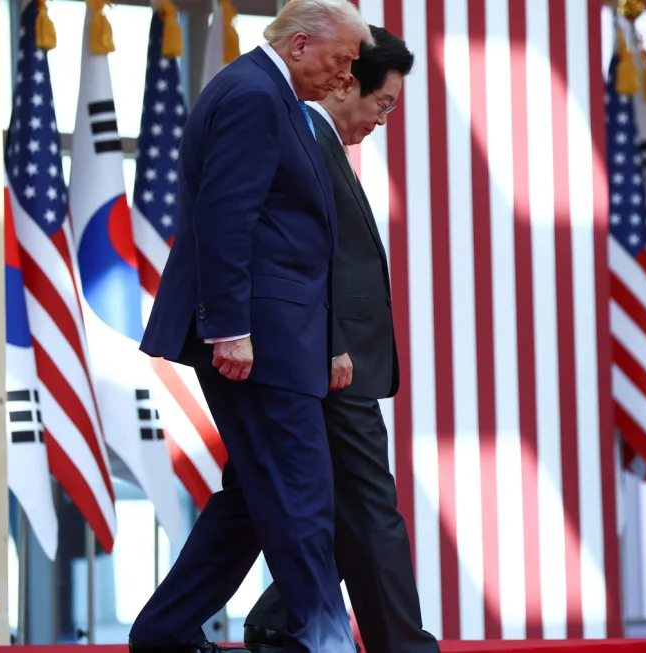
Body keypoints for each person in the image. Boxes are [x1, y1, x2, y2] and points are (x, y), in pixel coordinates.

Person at [129, 2, 373, 652]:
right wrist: (229, 328)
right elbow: (225, 215)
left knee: (256, 493)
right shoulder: (252, 95)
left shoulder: (274, 96)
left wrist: (327, 339)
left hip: (282, 336)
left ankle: (164, 631)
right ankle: (325, 639)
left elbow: (291, 235)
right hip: (256, 339)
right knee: (299, 490)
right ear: (298, 45)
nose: (349, 74)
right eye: (342, 59)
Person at [240, 25, 440, 653]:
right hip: (325, 357)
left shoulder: (319, 142)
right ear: (347, 80)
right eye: (383, 104)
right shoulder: (302, 138)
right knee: (366, 503)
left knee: (290, 500)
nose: (383, 120)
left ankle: (276, 623)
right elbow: (301, 260)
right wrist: (329, 343)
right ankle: (400, 644)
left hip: (323, 354)